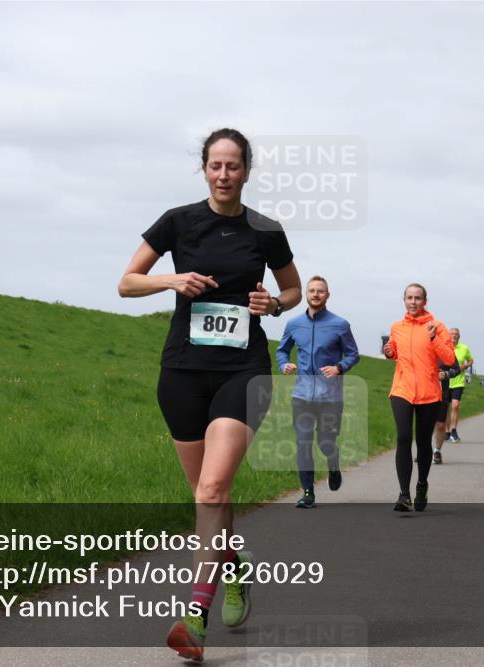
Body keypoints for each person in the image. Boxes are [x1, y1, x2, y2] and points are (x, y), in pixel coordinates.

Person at [118, 128, 302, 662]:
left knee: (212, 489)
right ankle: (235, 566)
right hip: (181, 370)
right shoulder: (178, 221)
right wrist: (171, 283)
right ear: (204, 169)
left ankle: (193, 618)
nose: (224, 175)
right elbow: (127, 282)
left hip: (244, 370)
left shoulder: (266, 230)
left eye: (234, 166)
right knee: (206, 497)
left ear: (247, 171)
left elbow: (291, 287)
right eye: (215, 166)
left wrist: (277, 303)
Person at [277, 276, 360, 508]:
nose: (315, 294)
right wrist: (284, 364)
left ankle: (333, 463)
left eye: (320, 291)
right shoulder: (293, 324)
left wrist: (339, 367)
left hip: (330, 397)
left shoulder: (340, 324)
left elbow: (353, 354)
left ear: (327, 295)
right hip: (301, 396)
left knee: (325, 442)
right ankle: (308, 493)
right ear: (306, 294)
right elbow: (282, 350)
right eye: (312, 290)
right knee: (303, 443)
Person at [383, 283, 456, 512]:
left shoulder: (437, 326)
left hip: (429, 392)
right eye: (409, 298)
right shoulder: (397, 327)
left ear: (425, 301)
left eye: (418, 298)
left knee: (423, 442)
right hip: (402, 390)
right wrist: (389, 353)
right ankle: (404, 495)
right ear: (403, 300)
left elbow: (450, 359)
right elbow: (395, 353)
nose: (413, 302)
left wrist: (433, 338)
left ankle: (422, 484)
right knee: (404, 438)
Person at [444, 328, 474, 443]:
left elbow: (471, 360)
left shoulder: (464, 348)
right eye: (452, 334)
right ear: (448, 335)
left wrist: (465, 366)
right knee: (446, 407)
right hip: (446, 381)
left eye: (456, 334)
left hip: (458, 381)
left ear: (459, 336)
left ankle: (454, 430)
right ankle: (446, 432)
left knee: (455, 405)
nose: (454, 336)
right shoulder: (444, 347)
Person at [430, 357, 462, 464]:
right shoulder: (423, 344)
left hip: (442, 393)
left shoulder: (446, 349)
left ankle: (437, 451)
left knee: (440, 425)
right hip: (424, 392)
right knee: (425, 425)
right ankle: (423, 450)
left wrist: (446, 374)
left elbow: (457, 369)